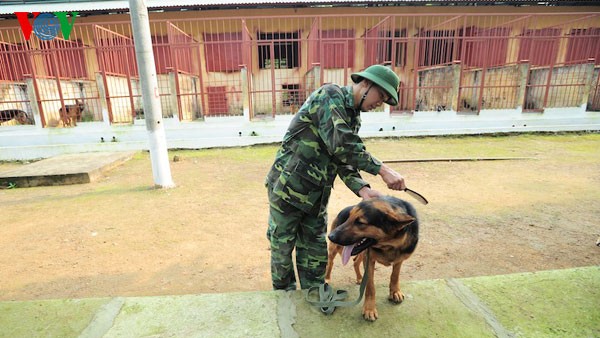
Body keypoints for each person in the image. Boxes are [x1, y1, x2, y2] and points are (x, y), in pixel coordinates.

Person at [265, 64, 407, 291]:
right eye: (381, 96)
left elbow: (342, 158)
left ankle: (313, 294)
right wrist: (383, 169)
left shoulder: (353, 118)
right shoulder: (330, 96)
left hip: (316, 194)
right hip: (287, 188)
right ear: (367, 83)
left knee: (315, 248)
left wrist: (363, 189)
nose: (379, 103)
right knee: (282, 246)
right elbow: (341, 143)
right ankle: (285, 298)